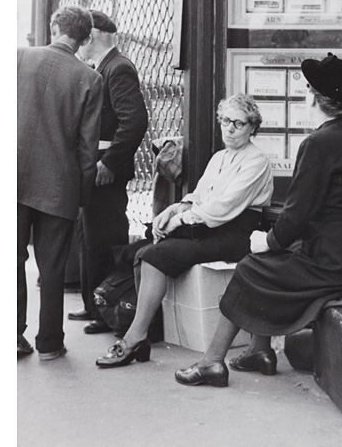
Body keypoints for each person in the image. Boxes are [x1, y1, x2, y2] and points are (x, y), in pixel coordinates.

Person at [175, 53, 342, 387]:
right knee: (267, 263)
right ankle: (258, 351)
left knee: (251, 267)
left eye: (308, 88)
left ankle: (212, 362)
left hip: (338, 263)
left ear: (314, 97)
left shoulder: (317, 143)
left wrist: (268, 241)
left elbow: (297, 213)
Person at [96, 94, 274, 368]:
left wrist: (181, 220)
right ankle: (143, 331)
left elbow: (223, 207)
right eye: (225, 121)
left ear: (252, 127)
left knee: (154, 255)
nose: (229, 129)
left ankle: (135, 338)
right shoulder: (220, 157)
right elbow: (199, 196)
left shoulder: (256, 160)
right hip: (209, 228)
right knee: (143, 253)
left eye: (238, 123)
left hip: (236, 234)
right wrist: (173, 209)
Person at [18, 6, 104, 360]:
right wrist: (82, 197)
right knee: (52, 267)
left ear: (54, 26)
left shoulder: (18, 58)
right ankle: (50, 343)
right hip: (59, 186)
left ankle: (11, 336)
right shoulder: (90, 79)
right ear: (85, 38)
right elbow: (88, 147)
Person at [67, 9, 150, 334]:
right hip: (97, 164)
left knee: (103, 238)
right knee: (90, 237)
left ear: (94, 35)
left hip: (106, 168)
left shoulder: (118, 67)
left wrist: (110, 162)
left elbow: (134, 121)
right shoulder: (106, 66)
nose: (80, 42)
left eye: (84, 36)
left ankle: (106, 309)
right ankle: (95, 305)